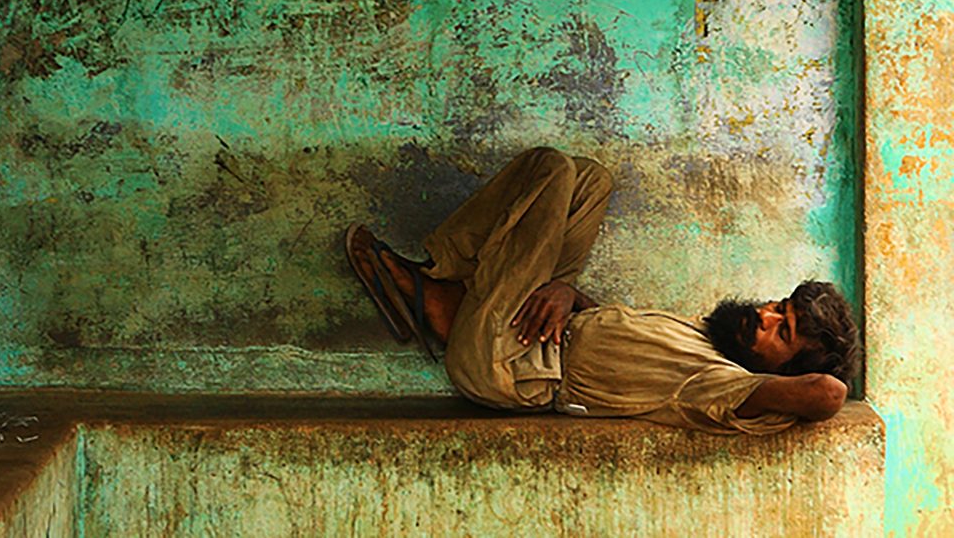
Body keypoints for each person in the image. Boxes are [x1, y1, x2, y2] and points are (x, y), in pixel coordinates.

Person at [345, 147, 860, 434]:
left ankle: (435, 281)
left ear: (784, 369)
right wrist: (567, 292)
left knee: (551, 169)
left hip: (506, 363)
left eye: (782, 331)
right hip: (542, 326)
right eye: (780, 307)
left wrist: (800, 374)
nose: (766, 315)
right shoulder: (704, 335)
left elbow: (827, 394)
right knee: (591, 179)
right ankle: (449, 299)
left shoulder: (720, 385)